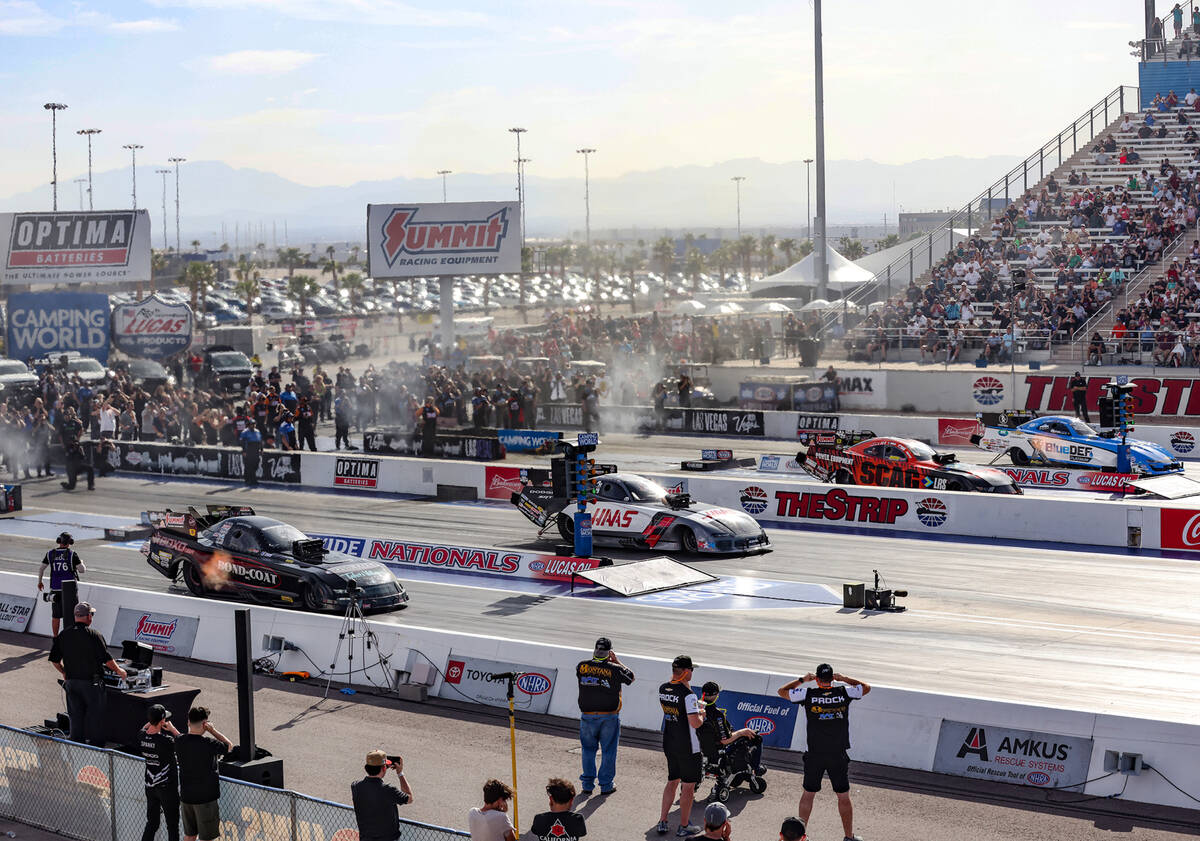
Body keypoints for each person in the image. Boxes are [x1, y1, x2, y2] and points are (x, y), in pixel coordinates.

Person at [777, 664, 871, 841]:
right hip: (838, 754)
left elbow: (782, 691)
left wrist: (803, 680)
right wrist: (844, 679)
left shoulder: (808, 694)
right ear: (832, 679)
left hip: (815, 754)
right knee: (843, 796)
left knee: (808, 794)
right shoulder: (844, 692)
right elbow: (866, 687)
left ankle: (799, 837)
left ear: (817, 679)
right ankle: (849, 837)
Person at [47, 602, 126, 746]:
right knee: (96, 717)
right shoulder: (94, 635)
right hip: (92, 684)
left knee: (75, 718)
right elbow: (106, 659)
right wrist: (119, 671)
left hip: (71, 683)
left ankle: (77, 746)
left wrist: (64, 672)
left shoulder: (64, 634)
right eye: (92, 614)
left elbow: (54, 660)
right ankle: (96, 748)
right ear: (88, 616)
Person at [576, 636, 635, 796]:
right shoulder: (614, 668)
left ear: (595, 650)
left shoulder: (581, 666)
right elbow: (631, 677)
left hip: (587, 715)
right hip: (608, 716)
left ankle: (587, 784)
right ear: (609, 653)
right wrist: (617, 662)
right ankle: (606, 785)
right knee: (608, 751)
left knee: (588, 750)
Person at [657, 654, 704, 837]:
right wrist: (702, 714)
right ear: (686, 672)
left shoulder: (663, 688)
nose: (692, 672)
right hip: (688, 746)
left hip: (670, 742)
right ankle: (684, 825)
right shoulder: (689, 695)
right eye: (691, 670)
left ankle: (663, 820)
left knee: (672, 781)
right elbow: (695, 723)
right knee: (688, 787)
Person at [175, 706, 232, 841]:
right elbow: (229, 745)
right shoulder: (209, 743)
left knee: (190, 835)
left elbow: (179, 735)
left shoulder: (179, 741)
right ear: (205, 724)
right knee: (207, 837)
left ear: (188, 722)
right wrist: (212, 730)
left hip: (186, 796)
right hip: (205, 798)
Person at [696, 681, 765, 776]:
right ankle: (756, 769)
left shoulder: (694, 708)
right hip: (718, 751)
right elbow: (725, 740)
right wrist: (742, 732)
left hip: (699, 748)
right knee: (757, 738)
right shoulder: (717, 714)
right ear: (716, 695)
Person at [351, 750, 415, 841]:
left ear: (366, 768)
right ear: (384, 768)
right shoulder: (389, 790)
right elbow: (409, 798)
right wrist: (400, 773)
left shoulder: (355, 787)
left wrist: (382, 768)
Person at [140, 704, 182, 841]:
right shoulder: (166, 741)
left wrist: (153, 721)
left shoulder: (141, 736)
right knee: (172, 825)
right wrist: (173, 729)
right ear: (163, 721)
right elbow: (183, 742)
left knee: (152, 823)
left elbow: (145, 728)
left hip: (150, 787)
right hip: (167, 788)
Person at [38, 531, 84, 636]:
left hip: (55, 589)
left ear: (59, 541)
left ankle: (56, 638)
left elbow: (41, 569)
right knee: (71, 615)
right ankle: (69, 638)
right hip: (69, 589)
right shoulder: (72, 554)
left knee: (56, 616)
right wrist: (81, 562)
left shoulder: (50, 553)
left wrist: (40, 582)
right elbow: (82, 570)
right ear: (70, 542)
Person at [59, 406, 94, 491]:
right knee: (71, 486)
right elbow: (69, 464)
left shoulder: (78, 445)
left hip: (79, 466)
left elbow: (83, 457)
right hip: (73, 469)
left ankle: (91, 485)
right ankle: (66, 484)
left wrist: (78, 446)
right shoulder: (68, 449)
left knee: (90, 469)